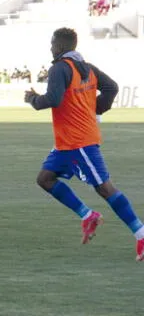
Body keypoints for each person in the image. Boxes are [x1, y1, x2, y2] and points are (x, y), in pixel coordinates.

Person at [24, 27, 144, 261]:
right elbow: (112, 87)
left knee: (105, 188)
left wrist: (33, 100)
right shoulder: (87, 67)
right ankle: (87, 215)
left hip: (80, 143)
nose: (50, 47)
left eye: (52, 42)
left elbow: (53, 99)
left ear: (60, 45)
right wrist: (95, 107)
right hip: (66, 144)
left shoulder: (59, 68)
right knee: (45, 179)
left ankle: (141, 233)